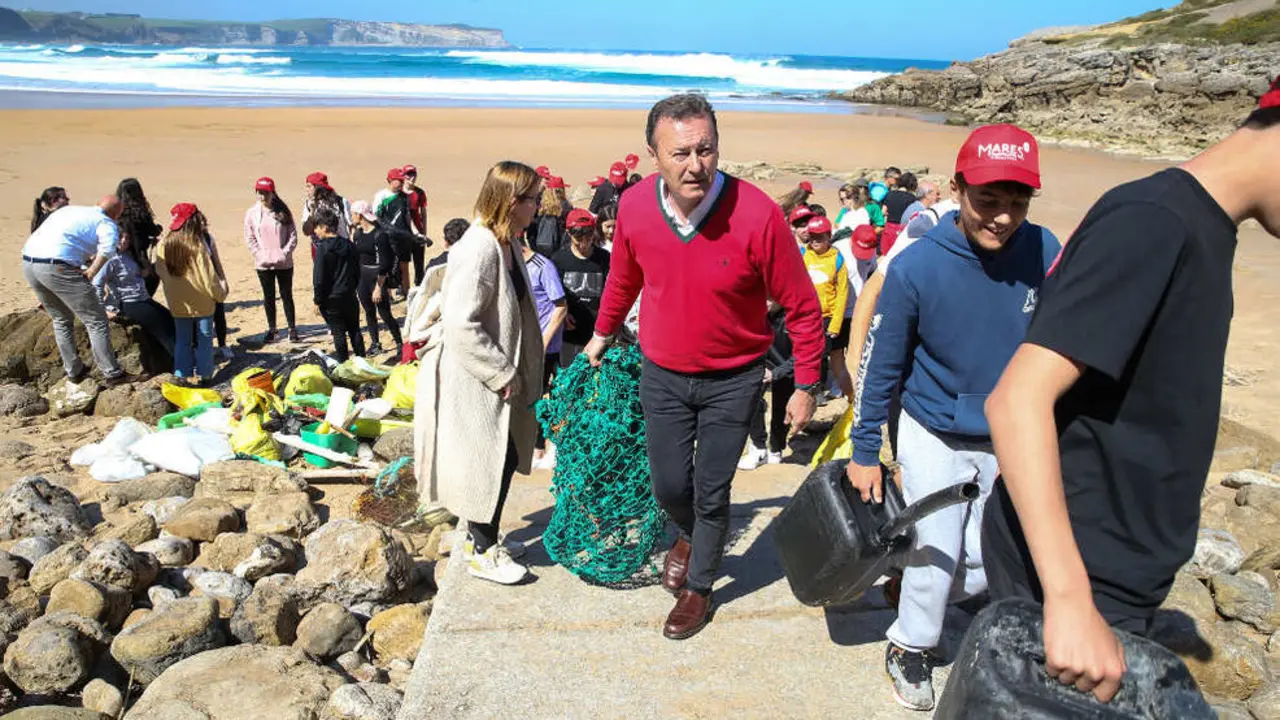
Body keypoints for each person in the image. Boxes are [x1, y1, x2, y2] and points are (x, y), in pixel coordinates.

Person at [981, 78, 1280, 705]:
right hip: (1085, 568)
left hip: (1114, 564)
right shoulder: (1155, 221)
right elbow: (1017, 399)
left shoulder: (1198, 225)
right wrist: (1069, 600)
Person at [584, 93, 825, 640]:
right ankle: (690, 534)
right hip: (663, 373)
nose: (695, 165)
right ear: (653, 154)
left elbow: (802, 306)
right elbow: (623, 277)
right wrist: (601, 333)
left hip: (734, 379)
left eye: (706, 150)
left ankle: (699, 587)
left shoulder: (757, 213)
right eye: (681, 153)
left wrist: (806, 383)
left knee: (712, 491)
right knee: (670, 484)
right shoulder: (637, 207)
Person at [846, 124, 1059, 711]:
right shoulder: (917, 266)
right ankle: (909, 646)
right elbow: (881, 365)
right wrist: (866, 450)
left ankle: (911, 589)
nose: (1001, 216)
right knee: (937, 552)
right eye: (987, 199)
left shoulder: (1045, 252)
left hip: (1010, 432)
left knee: (994, 560)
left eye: (1016, 202)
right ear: (959, 189)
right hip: (930, 426)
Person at [413, 160, 544, 586]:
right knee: (488, 459)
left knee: (501, 457)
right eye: (533, 199)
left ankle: (480, 536)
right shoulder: (480, 247)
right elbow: (460, 322)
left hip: (499, 375)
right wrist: (500, 373)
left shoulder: (505, 242)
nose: (539, 206)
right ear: (511, 201)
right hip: (477, 378)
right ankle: (483, 551)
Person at [21, 195, 133, 386]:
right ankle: (113, 374)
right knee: (96, 320)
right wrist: (91, 271)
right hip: (56, 266)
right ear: (116, 214)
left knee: (61, 318)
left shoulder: (68, 210)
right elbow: (107, 250)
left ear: (97, 203)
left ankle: (74, 371)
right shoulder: (106, 223)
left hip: (29, 262)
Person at [155, 203, 229, 385]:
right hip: (202, 303)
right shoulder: (198, 245)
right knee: (204, 341)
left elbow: (160, 272)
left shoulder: (164, 244)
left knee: (183, 341)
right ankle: (205, 376)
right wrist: (220, 294)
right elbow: (208, 277)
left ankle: (182, 375)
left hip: (178, 303)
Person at [521, 231, 568, 470]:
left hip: (547, 348)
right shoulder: (511, 267)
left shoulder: (542, 266)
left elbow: (560, 307)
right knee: (530, 397)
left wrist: (543, 342)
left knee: (549, 396)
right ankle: (535, 445)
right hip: (524, 346)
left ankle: (548, 447)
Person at [93, 231, 176, 358]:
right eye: (120, 237)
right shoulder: (108, 258)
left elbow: (142, 274)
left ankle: (185, 359)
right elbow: (97, 284)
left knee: (170, 319)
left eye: (127, 237)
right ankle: (184, 366)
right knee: (162, 329)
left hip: (143, 298)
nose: (124, 241)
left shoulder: (129, 255)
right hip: (128, 303)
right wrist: (102, 310)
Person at [738, 300, 796, 471]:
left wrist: (777, 373)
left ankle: (777, 448)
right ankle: (758, 446)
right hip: (762, 365)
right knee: (750, 400)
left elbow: (802, 355)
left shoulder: (793, 318)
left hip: (789, 368)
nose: (766, 302)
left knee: (782, 410)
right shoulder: (755, 314)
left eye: (770, 298)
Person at [800, 216, 852, 400]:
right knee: (808, 359)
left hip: (828, 318)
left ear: (829, 237)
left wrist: (835, 325)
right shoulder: (803, 254)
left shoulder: (837, 260)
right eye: (812, 237)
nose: (815, 241)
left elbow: (842, 294)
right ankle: (813, 394)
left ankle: (852, 397)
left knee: (836, 360)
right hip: (807, 317)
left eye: (820, 237)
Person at [244, 177, 300, 344]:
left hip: (284, 263)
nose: (262, 196)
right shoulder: (252, 213)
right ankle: (272, 329)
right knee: (268, 297)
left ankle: (292, 328)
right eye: (259, 193)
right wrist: (259, 254)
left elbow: (293, 235)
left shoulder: (283, 211)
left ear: (272, 193)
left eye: (265, 193)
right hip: (263, 264)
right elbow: (250, 237)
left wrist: (284, 253)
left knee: (286, 295)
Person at [552, 208, 611, 366]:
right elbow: (553, 295)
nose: (584, 241)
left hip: (597, 332)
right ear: (568, 233)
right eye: (578, 236)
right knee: (568, 379)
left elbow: (612, 293)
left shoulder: (604, 259)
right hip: (569, 334)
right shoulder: (559, 260)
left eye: (589, 234)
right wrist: (563, 313)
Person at [350, 200, 403, 356]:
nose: (351, 217)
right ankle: (375, 343)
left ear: (360, 215)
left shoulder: (379, 235)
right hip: (362, 277)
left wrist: (379, 288)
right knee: (369, 312)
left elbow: (384, 263)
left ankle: (399, 342)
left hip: (377, 277)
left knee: (385, 313)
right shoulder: (358, 233)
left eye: (353, 214)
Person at [115, 178, 164, 298]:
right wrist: (159, 228)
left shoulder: (116, 211)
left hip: (118, 253)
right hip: (139, 254)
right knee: (152, 278)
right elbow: (153, 231)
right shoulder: (140, 212)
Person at [377, 167, 418, 301]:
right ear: (389, 180)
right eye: (398, 180)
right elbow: (376, 217)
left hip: (403, 237)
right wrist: (388, 230)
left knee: (404, 265)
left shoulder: (404, 197)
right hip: (388, 236)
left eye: (402, 180)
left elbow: (407, 216)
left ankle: (407, 293)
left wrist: (414, 233)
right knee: (388, 265)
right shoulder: (381, 196)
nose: (401, 182)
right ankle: (388, 294)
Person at [302, 171, 351, 258]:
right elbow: (306, 231)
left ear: (318, 187)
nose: (307, 190)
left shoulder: (341, 202)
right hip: (319, 250)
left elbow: (350, 225)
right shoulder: (309, 205)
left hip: (341, 249)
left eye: (309, 186)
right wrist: (312, 213)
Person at [403, 164, 431, 285]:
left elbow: (423, 213)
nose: (412, 177)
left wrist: (424, 232)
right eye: (409, 174)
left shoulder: (419, 193)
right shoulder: (399, 193)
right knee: (403, 262)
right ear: (403, 176)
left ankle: (419, 284)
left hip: (418, 232)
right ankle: (402, 286)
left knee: (419, 262)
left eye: (413, 174)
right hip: (403, 232)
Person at [530, 176, 571, 257]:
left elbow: (532, 229)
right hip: (558, 248)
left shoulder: (540, 207)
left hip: (540, 246)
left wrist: (534, 246)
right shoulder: (566, 206)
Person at [881, 172, 919, 255]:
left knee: (885, 256)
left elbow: (883, 212)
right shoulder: (912, 198)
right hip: (902, 230)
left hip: (888, 228)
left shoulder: (889, 194)